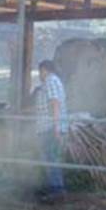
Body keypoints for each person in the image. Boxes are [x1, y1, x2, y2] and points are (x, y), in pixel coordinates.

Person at [33, 60, 68, 202]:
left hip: (50, 128)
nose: (39, 75)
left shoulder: (51, 81)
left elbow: (55, 104)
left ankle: (57, 189)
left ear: (44, 70)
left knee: (51, 157)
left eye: (39, 71)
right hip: (48, 127)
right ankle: (53, 186)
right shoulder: (51, 82)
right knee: (49, 158)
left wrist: (56, 128)